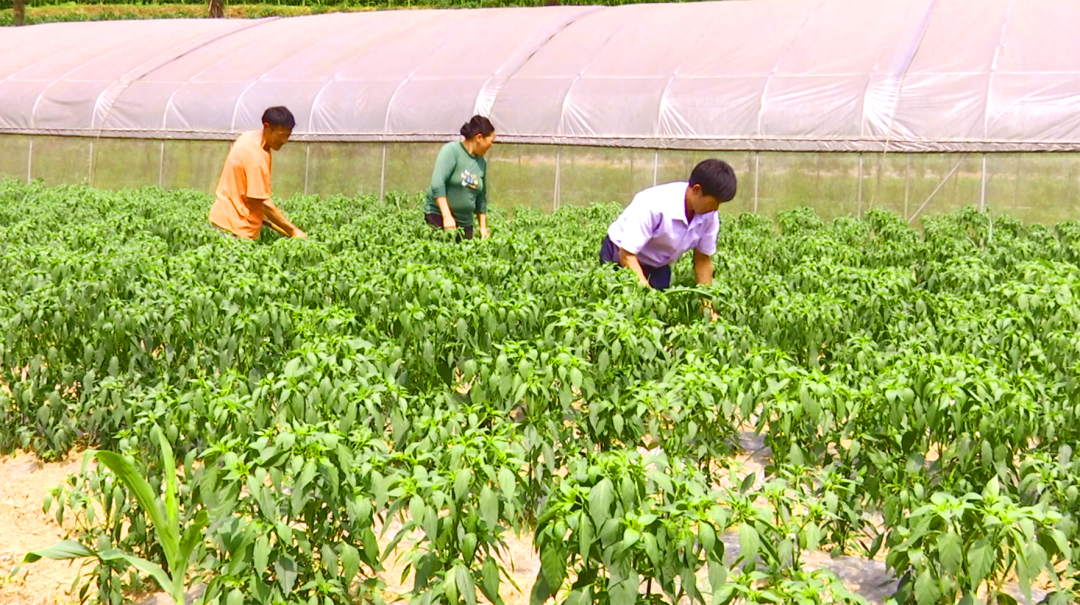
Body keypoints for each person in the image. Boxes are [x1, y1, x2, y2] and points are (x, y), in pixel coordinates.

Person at [600, 158, 737, 292]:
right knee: (621, 304)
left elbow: (702, 260)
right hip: (619, 253)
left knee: (656, 310)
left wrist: (707, 306)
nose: (716, 208)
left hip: (658, 263)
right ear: (696, 190)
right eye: (714, 202)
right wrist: (648, 295)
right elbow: (626, 254)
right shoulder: (654, 203)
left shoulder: (709, 216)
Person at [208, 106, 307, 240]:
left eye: (287, 136)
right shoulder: (255, 156)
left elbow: (250, 195)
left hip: (226, 217)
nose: (284, 141)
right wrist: (293, 230)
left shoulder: (248, 137)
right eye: (281, 135)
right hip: (235, 228)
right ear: (267, 127)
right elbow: (262, 202)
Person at [423, 116, 495, 240]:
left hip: (465, 223)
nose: (491, 145)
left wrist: (483, 227)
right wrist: (446, 215)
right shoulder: (452, 151)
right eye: (490, 141)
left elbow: (481, 197)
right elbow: (438, 184)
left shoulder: (481, 163)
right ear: (479, 138)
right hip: (439, 217)